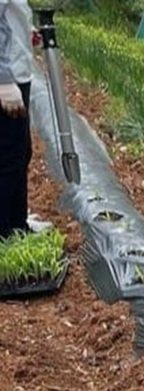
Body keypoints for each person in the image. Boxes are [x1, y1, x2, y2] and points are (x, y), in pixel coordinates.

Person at [0, 0, 34, 240]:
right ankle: (5, 236)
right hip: (8, 80)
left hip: (17, 74)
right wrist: (2, 80)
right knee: (8, 159)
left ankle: (16, 225)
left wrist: (24, 32)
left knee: (21, 152)